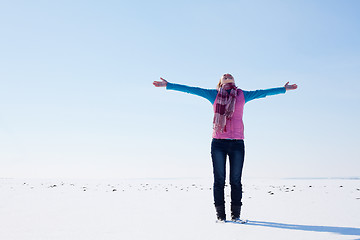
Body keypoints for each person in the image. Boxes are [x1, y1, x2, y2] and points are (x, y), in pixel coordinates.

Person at [153, 74, 297, 223]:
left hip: (237, 144)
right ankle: (220, 217)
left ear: (234, 81)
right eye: (224, 75)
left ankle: (236, 216)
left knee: (235, 180)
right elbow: (191, 90)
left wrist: (283, 89)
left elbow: (263, 92)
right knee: (219, 180)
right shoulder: (213, 95)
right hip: (218, 143)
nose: (227, 75)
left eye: (230, 75)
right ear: (220, 82)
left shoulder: (242, 95)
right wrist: (169, 85)